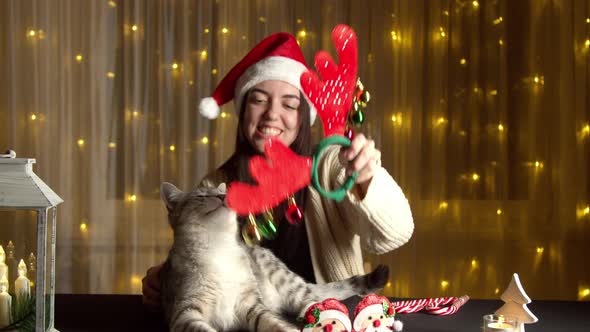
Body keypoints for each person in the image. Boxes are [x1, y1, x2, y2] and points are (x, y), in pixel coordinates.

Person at [142, 32, 414, 311]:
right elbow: (204, 259)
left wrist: (367, 178)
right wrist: (167, 276)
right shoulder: (217, 185)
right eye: (258, 100)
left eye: (289, 104)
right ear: (243, 111)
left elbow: (394, 235)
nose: (272, 114)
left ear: (302, 119)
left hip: (334, 322)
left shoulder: (331, 165)